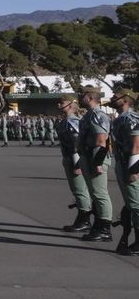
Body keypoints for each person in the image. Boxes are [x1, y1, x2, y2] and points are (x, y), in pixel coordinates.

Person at [77, 86, 114, 243]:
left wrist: (97, 162)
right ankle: (98, 225)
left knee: (100, 194)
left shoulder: (97, 115)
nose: (79, 97)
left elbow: (101, 139)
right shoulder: (89, 115)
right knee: (95, 194)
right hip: (89, 156)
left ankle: (105, 228)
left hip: (96, 157)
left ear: (90, 97)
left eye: (82, 94)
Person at [108, 91, 139, 255]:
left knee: (136, 204)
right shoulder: (120, 118)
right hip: (122, 163)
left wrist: (134, 169)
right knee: (131, 204)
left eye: (116, 97)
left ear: (126, 100)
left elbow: (137, 145)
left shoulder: (131, 118)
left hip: (131, 165)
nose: (113, 98)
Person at [56, 94, 90, 233]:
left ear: (70, 105)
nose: (59, 105)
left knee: (80, 190)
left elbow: (77, 145)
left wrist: (77, 164)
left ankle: (85, 220)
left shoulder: (73, 122)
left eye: (62, 102)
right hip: (68, 158)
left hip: (74, 159)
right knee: (77, 190)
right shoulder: (65, 121)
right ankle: (82, 217)